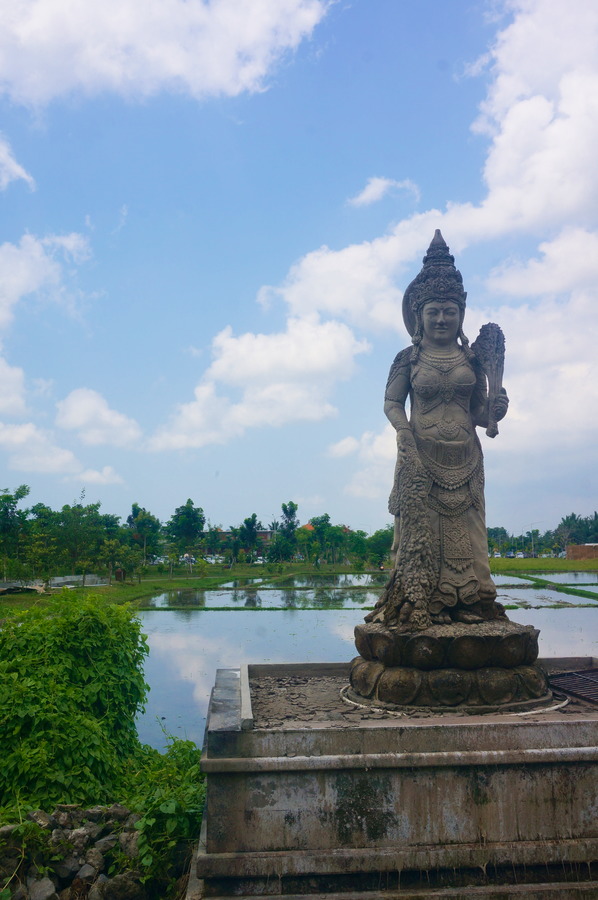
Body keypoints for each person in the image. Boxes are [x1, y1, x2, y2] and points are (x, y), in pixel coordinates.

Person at [366, 231, 508, 630]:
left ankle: (473, 601)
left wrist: (496, 410)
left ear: (460, 314)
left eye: (449, 311)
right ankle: (424, 602)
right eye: (434, 311)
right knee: (422, 536)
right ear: (419, 315)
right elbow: (392, 402)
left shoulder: (472, 360)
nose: (442, 319)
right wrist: (403, 433)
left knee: (469, 532)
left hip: (467, 458)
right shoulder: (408, 359)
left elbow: (478, 412)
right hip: (420, 459)